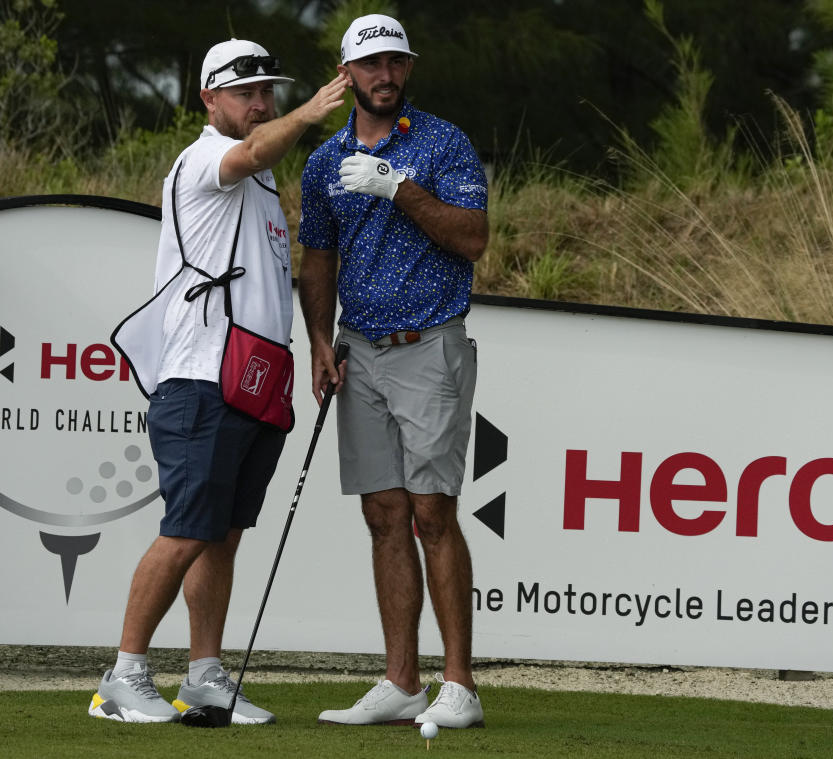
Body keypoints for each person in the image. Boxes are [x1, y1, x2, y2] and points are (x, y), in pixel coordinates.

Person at [90, 38, 346, 724]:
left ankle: (204, 676)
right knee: (185, 530)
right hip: (199, 379)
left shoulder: (262, 184)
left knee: (222, 533)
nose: (260, 104)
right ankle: (123, 676)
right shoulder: (207, 156)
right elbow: (255, 150)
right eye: (245, 92)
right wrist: (312, 110)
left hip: (250, 384)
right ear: (210, 99)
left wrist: (317, 342)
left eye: (267, 91)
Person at [297, 14, 489, 729]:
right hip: (359, 350)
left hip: (428, 344)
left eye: (395, 63)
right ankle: (401, 680)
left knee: (432, 511)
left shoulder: (442, 142)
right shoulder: (323, 162)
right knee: (383, 515)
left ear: (408, 69)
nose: (385, 76)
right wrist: (320, 339)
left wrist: (398, 188)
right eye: (371, 65)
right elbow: (318, 256)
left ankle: (460, 685)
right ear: (346, 74)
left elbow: (472, 238)